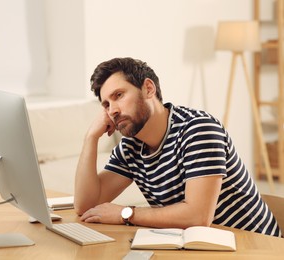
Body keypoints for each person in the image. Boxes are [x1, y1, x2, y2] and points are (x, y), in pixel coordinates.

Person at [74, 57, 282, 237]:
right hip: (197, 248)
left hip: (255, 247)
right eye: (106, 105)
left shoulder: (198, 129)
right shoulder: (130, 148)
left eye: (119, 95)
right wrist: (91, 138)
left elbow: (198, 216)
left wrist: (124, 214)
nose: (113, 111)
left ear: (148, 88)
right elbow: (85, 206)